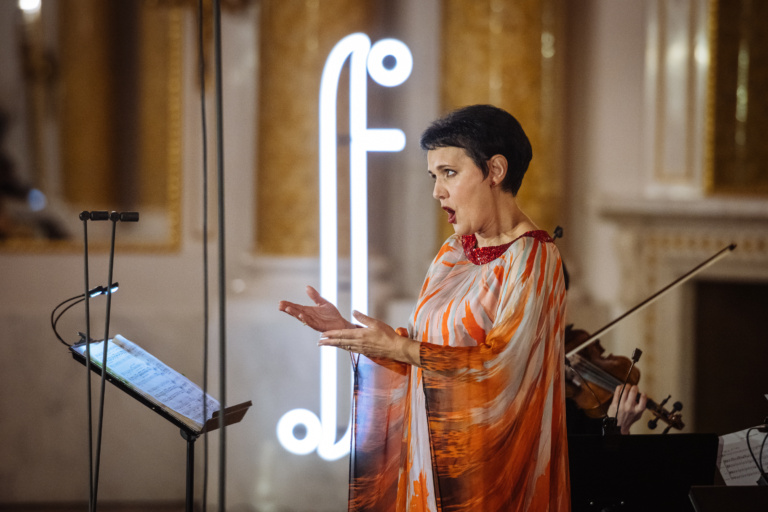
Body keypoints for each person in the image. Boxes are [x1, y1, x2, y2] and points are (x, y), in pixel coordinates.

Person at [279, 104, 569, 511]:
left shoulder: (533, 256)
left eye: (449, 173)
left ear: (495, 170)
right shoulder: (453, 253)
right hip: (427, 456)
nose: (437, 192)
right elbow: (422, 348)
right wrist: (354, 334)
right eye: (434, 177)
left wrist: (398, 347)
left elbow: (500, 366)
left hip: (485, 476)